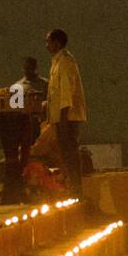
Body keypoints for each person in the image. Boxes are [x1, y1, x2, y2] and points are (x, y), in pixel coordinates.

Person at [46, 28, 86, 195]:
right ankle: (72, 186)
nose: (46, 45)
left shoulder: (65, 62)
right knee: (65, 153)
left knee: (70, 152)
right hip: (61, 117)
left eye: (48, 41)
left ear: (56, 43)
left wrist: (63, 120)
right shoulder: (56, 62)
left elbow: (66, 94)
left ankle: (77, 189)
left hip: (67, 117)